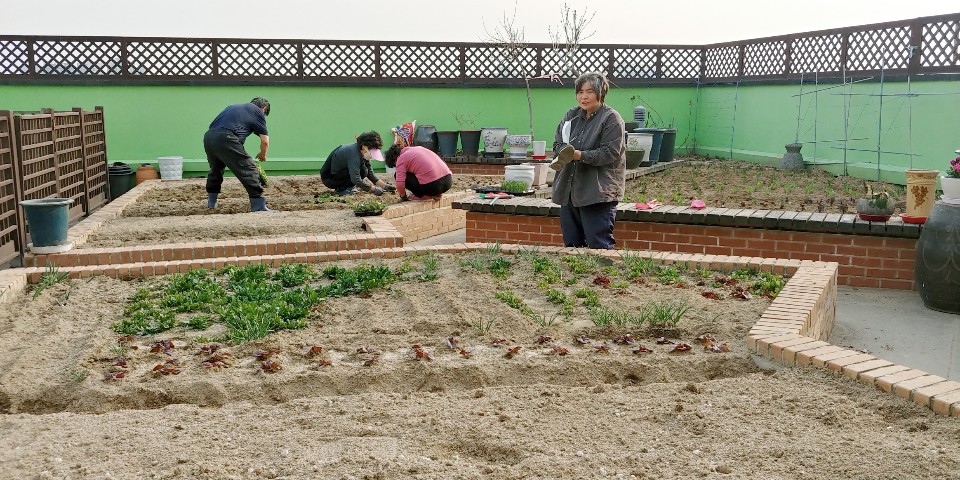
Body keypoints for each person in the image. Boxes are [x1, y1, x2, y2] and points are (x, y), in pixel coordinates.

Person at [550, 72, 626, 249]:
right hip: (569, 192)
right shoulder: (571, 115)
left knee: (598, 245)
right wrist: (562, 151)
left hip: (597, 194)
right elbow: (557, 143)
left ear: (601, 93)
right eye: (580, 92)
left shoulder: (611, 118)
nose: (583, 97)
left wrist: (579, 155)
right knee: (572, 247)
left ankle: (602, 269)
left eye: (589, 91)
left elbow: (609, 153)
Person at [203, 97, 273, 212]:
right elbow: (265, 141)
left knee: (216, 169)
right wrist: (263, 154)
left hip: (209, 137)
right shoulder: (258, 111)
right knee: (249, 169)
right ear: (264, 108)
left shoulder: (232, 107)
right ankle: (258, 205)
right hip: (227, 137)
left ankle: (212, 202)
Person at [320, 131, 396, 196]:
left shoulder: (361, 152)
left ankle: (347, 187)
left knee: (364, 170)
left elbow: (370, 173)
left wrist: (384, 186)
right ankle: (341, 190)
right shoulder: (353, 153)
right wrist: (373, 189)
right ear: (364, 147)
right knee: (362, 170)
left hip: (340, 175)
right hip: (329, 179)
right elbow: (355, 179)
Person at [383, 144, 453, 201]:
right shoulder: (418, 148)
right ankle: (436, 194)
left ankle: (424, 196)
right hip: (448, 181)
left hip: (434, 186)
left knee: (397, 175)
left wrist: (403, 196)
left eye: (395, 166)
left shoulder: (401, 158)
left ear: (394, 159)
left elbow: (400, 184)